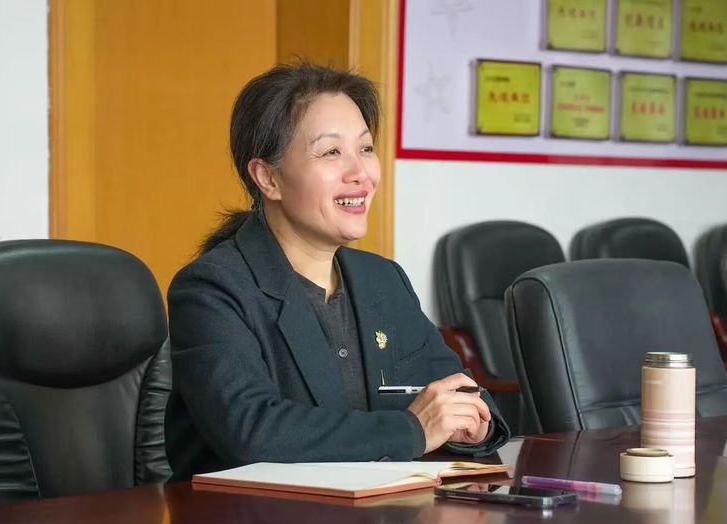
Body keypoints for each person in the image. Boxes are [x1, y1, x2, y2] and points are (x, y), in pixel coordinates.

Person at [165, 63, 510, 480]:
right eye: (331, 152)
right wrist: (412, 430)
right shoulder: (212, 289)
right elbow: (251, 431)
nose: (360, 174)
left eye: (365, 149)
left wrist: (472, 424)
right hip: (252, 510)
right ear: (268, 178)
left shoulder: (382, 280)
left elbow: (464, 392)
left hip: (380, 506)